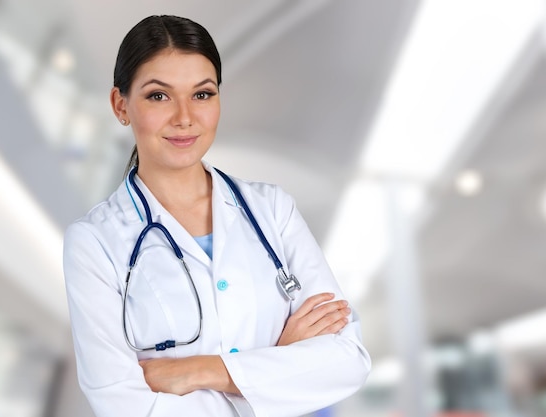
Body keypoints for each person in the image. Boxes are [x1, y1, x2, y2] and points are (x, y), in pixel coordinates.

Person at [63, 15, 371, 417]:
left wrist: (202, 371)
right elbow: (121, 403)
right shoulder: (94, 243)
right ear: (121, 105)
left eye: (202, 94)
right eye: (159, 96)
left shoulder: (272, 210)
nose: (185, 117)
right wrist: (280, 363)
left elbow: (348, 361)